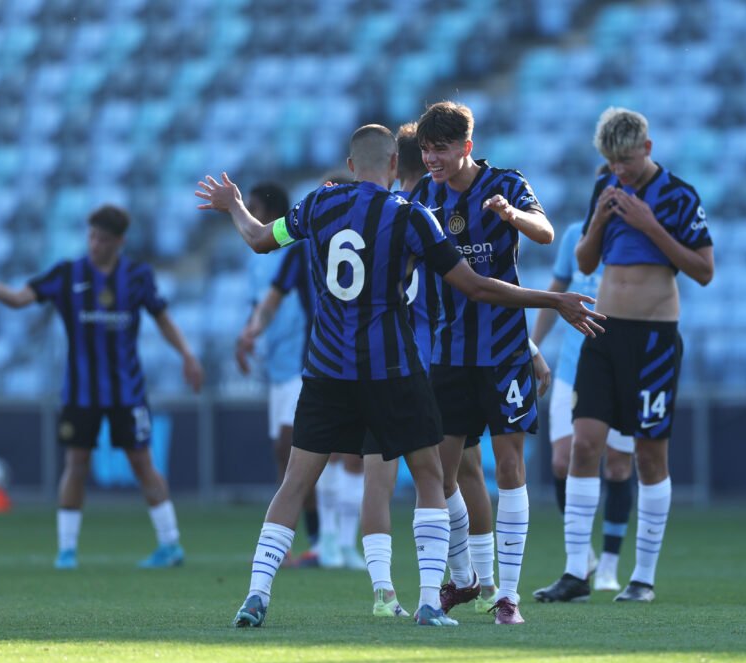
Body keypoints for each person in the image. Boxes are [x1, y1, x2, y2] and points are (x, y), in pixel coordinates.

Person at [196, 123, 603, 628]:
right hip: (392, 369)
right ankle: (430, 601)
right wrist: (553, 299)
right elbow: (475, 286)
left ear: (350, 167)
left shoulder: (318, 205)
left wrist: (234, 204)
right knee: (432, 476)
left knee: (296, 482)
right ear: (394, 166)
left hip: (326, 369)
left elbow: (260, 238)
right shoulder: (410, 216)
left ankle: (256, 595)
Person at [0, 205, 204, 570]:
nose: (95, 244)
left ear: (120, 242)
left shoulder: (137, 276)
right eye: (92, 236)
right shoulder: (68, 274)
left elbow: (163, 319)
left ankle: (170, 544)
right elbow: (19, 299)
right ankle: (66, 551)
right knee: (76, 464)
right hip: (81, 393)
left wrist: (188, 355)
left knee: (143, 463)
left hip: (127, 390)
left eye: (103, 239)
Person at [533, 107, 713, 604]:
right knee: (584, 445)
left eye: (628, 161)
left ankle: (644, 577)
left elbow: (703, 269)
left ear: (648, 150)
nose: (620, 171)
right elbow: (586, 261)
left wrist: (651, 226)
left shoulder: (679, 197)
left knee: (649, 454)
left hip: (654, 337)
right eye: (612, 162)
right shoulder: (604, 189)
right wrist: (599, 223)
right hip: (603, 332)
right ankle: (575, 572)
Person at [409, 101, 556, 624]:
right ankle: (468, 577)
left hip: (503, 352)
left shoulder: (507, 183)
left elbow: (545, 232)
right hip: (448, 354)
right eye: (426, 149)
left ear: (465, 147)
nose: (431, 159)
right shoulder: (420, 196)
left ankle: (508, 596)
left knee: (509, 468)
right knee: (441, 476)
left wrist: (512, 216)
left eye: (441, 149)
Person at [529, 209, 636, 592]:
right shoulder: (575, 234)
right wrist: (533, 346)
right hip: (573, 367)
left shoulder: (633, 236)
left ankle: (609, 563)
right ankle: (582, 556)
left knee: (619, 467)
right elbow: (557, 293)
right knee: (562, 461)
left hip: (620, 367)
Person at [235, 183, 323, 566]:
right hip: (278, 367)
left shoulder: (297, 247)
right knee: (282, 454)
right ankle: (301, 539)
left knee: (294, 451)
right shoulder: (258, 259)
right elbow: (264, 304)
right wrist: (249, 334)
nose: (249, 216)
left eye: (252, 208)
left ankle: (319, 539)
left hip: (303, 362)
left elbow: (285, 304)